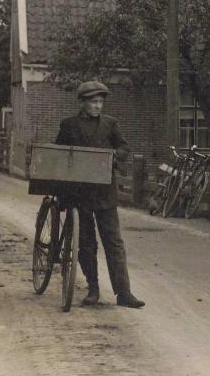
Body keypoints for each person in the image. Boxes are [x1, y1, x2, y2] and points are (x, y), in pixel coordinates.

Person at [55, 80, 145, 309]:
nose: (98, 106)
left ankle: (124, 292)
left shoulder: (110, 124)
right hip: (79, 193)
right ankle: (93, 288)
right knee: (86, 243)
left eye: (100, 102)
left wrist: (116, 154)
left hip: (105, 193)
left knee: (114, 242)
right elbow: (59, 155)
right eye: (93, 102)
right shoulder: (69, 126)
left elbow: (124, 148)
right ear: (83, 103)